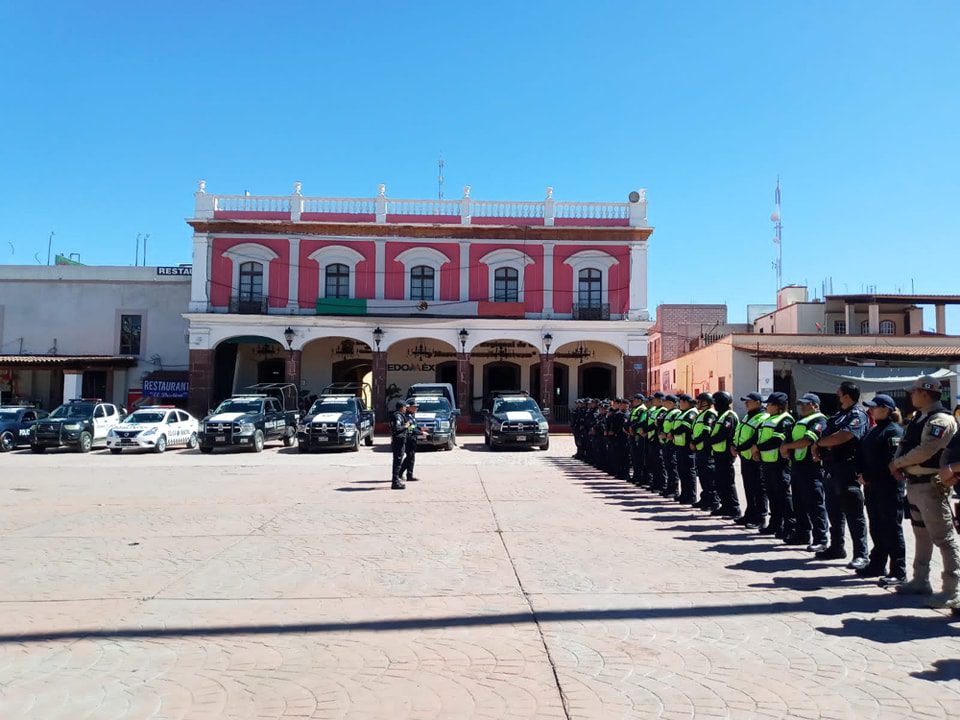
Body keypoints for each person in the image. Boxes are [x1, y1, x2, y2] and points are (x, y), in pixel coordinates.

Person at [891, 376, 960, 608]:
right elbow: (905, 443)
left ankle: (952, 589)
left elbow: (926, 449)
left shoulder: (940, 419)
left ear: (926, 392)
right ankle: (920, 580)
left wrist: (899, 463)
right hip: (915, 483)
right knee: (921, 534)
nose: (911, 395)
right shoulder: (920, 418)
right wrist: (899, 464)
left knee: (943, 537)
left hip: (931, 484)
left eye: (914, 392)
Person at [815, 381, 869, 568]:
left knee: (854, 514)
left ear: (847, 396)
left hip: (847, 469)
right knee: (834, 512)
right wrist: (820, 444)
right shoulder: (840, 415)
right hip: (831, 468)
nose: (837, 396)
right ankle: (837, 546)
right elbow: (826, 435)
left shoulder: (857, 415)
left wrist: (821, 443)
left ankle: (861, 554)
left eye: (839, 393)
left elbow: (845, 436)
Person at [857, 394, 906, 586]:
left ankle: (898, 570)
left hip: (888, 487)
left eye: (874, 407)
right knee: (877, 526)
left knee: (891, 528)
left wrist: (868, 476)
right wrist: (861, 473)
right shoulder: (874, 429)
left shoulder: (893, 431)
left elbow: (889, 462)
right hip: (872, 486)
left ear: (886, 409)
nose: (871, 410)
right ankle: (877, 563)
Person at [780, 393, 829, 551]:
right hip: (797, 466)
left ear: (815, 405)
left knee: (815, 504)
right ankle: (802, 534)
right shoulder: (800, 420)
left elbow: (809, 440)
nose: (801, 406)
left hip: (811, 467)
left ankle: (820, 539)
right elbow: (789, 437)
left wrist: (787, 447)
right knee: (799, 503)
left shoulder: (819, 420)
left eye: (805, 404)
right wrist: (785, 446)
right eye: (800, 404)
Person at [754, 393, 795, 537]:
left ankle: (789, 526)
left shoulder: (785, 420)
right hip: (767, 462)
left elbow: (776, 441)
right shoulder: (770, 418)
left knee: (783, 495)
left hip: (779, 463)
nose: (767, 406)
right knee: (772, 495)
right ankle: (775, 524)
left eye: (770, 404)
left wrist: (758, 447)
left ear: (778, 406)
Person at [733, 392, 769, 529]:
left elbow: (755, 438)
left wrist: (739, 447)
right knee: (749, 487)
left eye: (749, 401)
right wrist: (734, 446)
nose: (746, 403)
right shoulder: (748, 416)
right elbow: (739, 432)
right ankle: (750, 513)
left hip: (755, 458)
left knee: (758, 488)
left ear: (758, 403)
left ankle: (760, 517)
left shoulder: (763, 418)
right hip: (745, 456)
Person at [710, 391, 741, 518]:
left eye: (716, 403)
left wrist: (709, 441)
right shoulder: (720, 415)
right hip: (718, 453)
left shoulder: (729, 416)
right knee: (720, 481)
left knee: (728, 482)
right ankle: (725, 506)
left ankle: (734, 509)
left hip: (726, 454)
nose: (714, 405)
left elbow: (724, 433)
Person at [691, 392, 718, 511]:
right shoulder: (702, 414)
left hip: (706, 450)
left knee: (709, 477)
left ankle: (713, 501)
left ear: (706, 402)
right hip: (700, 449)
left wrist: (695, 442)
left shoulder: (710, 414)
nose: (697, 403)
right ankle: (705, 498)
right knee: (702, 476)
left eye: (699, 401)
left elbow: (706, 432)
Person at [673, 394, 699, 504]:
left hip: (688, 447)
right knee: (682, 472)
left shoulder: (692, 413)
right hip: (680, 446)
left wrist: (671, 433)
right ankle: (684, 494)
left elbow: (685, 426)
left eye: (681, 402)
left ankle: (691, 496)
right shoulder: (683, 413)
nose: (680, 404)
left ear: (687, 403)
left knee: (689, 472)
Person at [398, 398, 426, 483]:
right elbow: (410, 428)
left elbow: (413, 426)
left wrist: (420, 429)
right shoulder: (406, 416)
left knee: (411, 457)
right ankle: (402, 473)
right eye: (414, 407)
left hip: (413, 439)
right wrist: (421, 433)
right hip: (408, 439)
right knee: (410, 457)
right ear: (409, 407)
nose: (416, 408)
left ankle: (409, 475)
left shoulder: (412, 415)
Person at [659, 395, 681, 499]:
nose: (664, 403)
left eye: (666, 401)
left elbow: (674, 427)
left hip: (671, 442)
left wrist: (667, 434)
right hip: (666, 441)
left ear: (672, 403)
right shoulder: (668, 412)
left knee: (672, 467)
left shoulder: (675, 413)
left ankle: (674, 489)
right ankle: (669, 488)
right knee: (668, 466)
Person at [645, 393, 667, 491]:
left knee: (659, 463)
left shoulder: (663, 410)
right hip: (652, 439)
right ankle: (655, 483)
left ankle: (661, 485)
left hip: (658, 440)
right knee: (653, 463)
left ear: (660, 400)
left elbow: (656, 424)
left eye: (655, 399)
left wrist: (645, 430)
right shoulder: (655, 410)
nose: (653, 401)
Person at [628, 394, 647, 485]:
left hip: (638, 435)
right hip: (632, 435)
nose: (633, 402)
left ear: (640, 400)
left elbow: (640, 422)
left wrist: (633, 429)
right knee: (634, 457)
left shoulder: (642, 409)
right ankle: (635, 476)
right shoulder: (635, 409)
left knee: (638, 458)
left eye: (635, 400)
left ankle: (638, 477)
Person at [390, 400, 409, 490]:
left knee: (398, 461)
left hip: (400, 441)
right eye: (405, 407)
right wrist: (405, 426)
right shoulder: (397, 416)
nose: (406, 409)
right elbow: (397, 428)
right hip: (398, 442)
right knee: (397, 461)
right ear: (402, 407)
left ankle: (396, 480)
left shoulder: (401, 416)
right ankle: (395, 482)